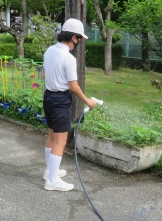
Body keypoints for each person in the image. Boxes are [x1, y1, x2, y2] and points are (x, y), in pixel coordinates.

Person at [42, 18, 96, 192]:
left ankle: (50, 171)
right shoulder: (68, 58)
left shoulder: (49, 51)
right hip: (60, 101)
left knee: (52, 136)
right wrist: (88, 101)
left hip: (49, 97)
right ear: (73, 37)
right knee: (61, 140)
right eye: (79, 38)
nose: (79, 42)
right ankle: (52, 181)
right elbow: (73, 86)